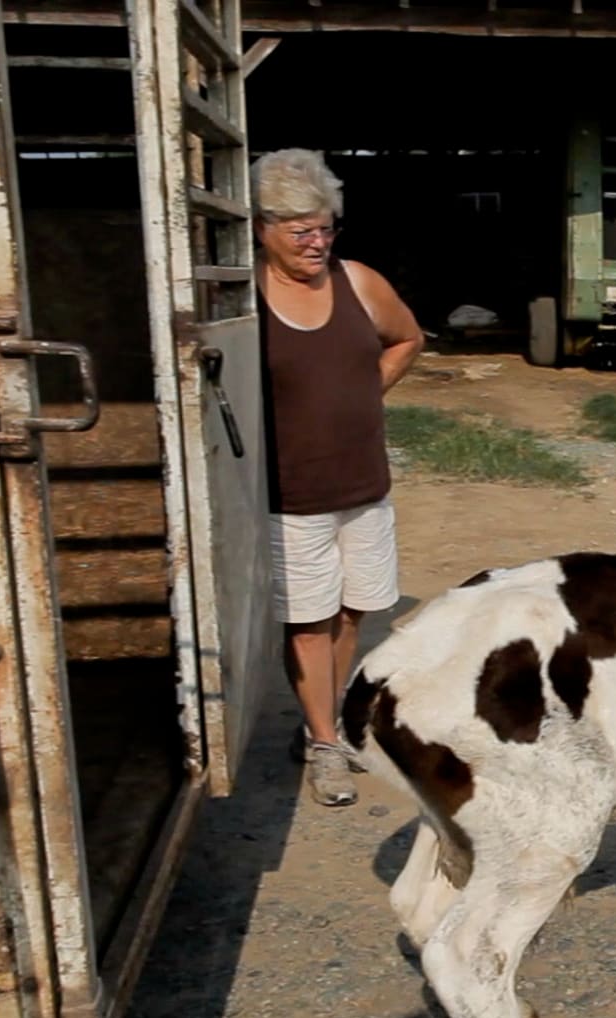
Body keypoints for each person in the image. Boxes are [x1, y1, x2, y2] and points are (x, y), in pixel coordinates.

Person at [254, 148, 424, 807]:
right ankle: (327, 742)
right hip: (292, 495)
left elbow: (407, 337)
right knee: (306, 621)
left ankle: (317, 724)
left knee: (352, 609)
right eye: (301, 231)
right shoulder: (245, 297)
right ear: (262, 229)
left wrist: (365, 392)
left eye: (325, 227)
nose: (316, 242)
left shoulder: (357, 282)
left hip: (362, 484)